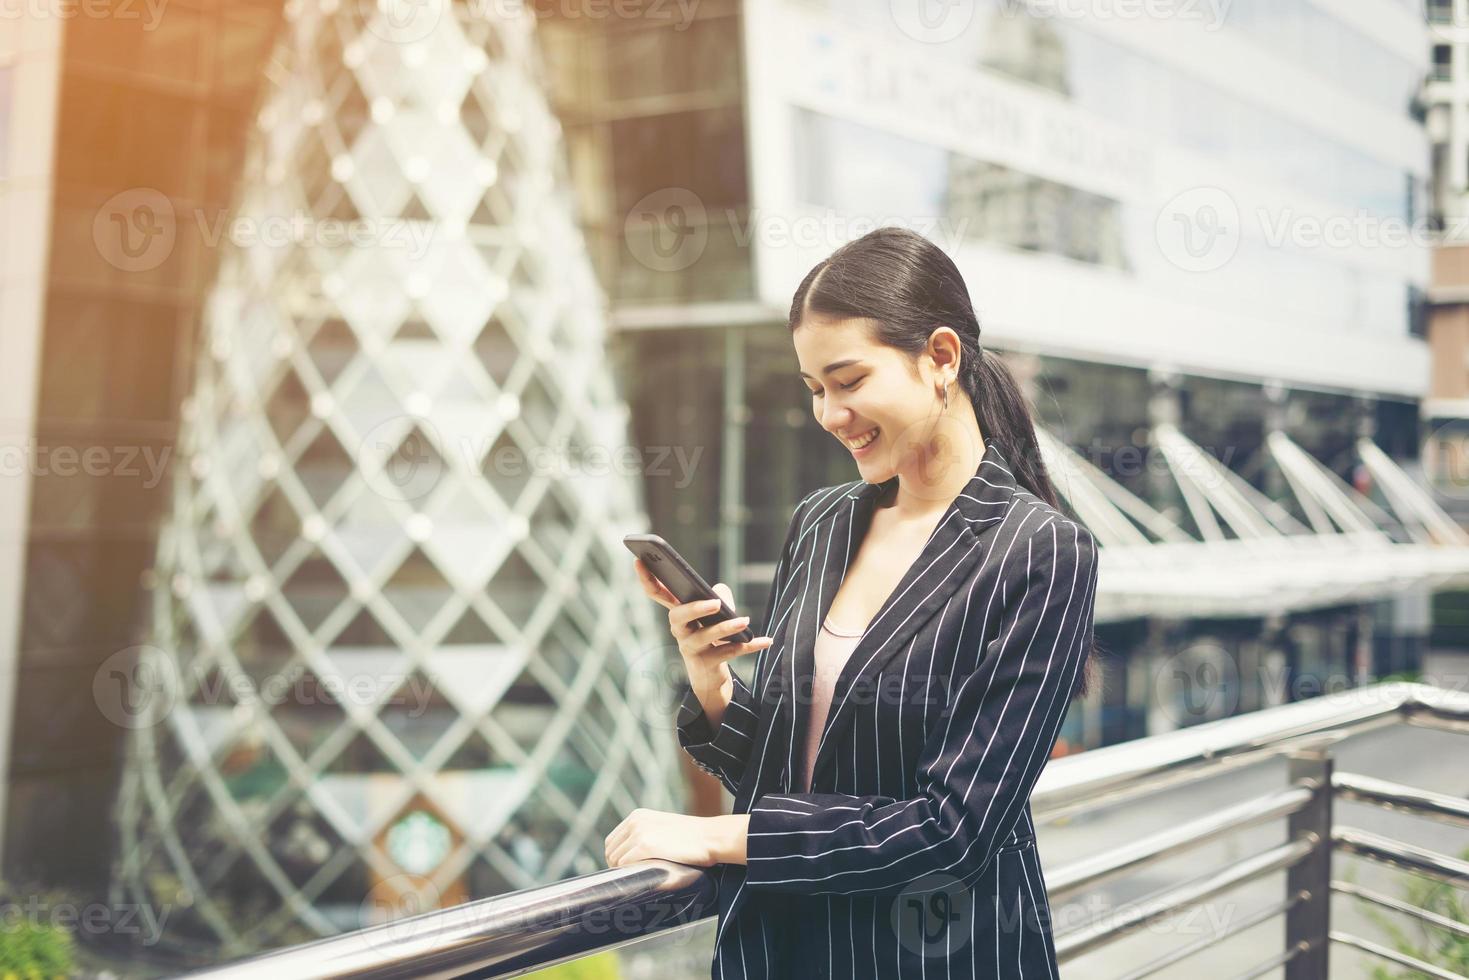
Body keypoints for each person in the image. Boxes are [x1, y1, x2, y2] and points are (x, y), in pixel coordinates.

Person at [607, 226, 1101, 978]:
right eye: (813, 390)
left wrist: (716, 837)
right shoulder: (822, 522)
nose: (829, 413)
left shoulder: (1040, 552)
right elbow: (796, 771)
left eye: (848, 380)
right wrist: (711, 685)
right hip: (777, 952)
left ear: (940, 357)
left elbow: (953, 829)